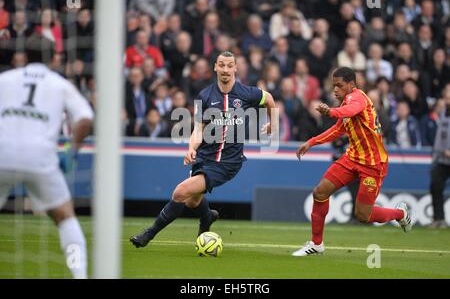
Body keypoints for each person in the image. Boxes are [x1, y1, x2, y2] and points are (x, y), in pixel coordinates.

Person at [130, 51, 277, 248]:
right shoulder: (205, 96)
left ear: (235, 68)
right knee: (191, 202)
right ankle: (207, 217)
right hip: (205, 156)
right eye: (222, 65)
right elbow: (199, 128)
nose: (225, 69)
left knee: (180, 192)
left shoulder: (247, 93)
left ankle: (148, 235)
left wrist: (272, 125)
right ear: (215, 67)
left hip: (227, 162)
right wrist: (191, 148)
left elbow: (269, 99)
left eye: (229, 65)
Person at [292, 67, 412, 257]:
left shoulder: (357, 98)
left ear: (352, 85)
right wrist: (311, 142)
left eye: (339, 86)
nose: (335, 90)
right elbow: (337, 130)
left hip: (373, 164)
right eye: (334, 86)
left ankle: (400, 214)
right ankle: (317, 244)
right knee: (320, 192)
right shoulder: (346, 105)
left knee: (363, 215)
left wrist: (331, 111)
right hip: (352, 158)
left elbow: (351, 109)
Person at [0, 36, 94, 277]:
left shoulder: (6, 79)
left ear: (23, 56)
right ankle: (79, 274)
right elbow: (85, 118)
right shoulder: (59, 83)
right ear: (54, 58)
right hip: (40, 157)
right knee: (65, 218)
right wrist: (72, 150)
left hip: (3, 154)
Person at [428, 87, 450, 228]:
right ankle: (438, 219)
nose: (446, 99)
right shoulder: (443, 112)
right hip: (442, 158)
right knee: (435, 185)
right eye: (446, 96)